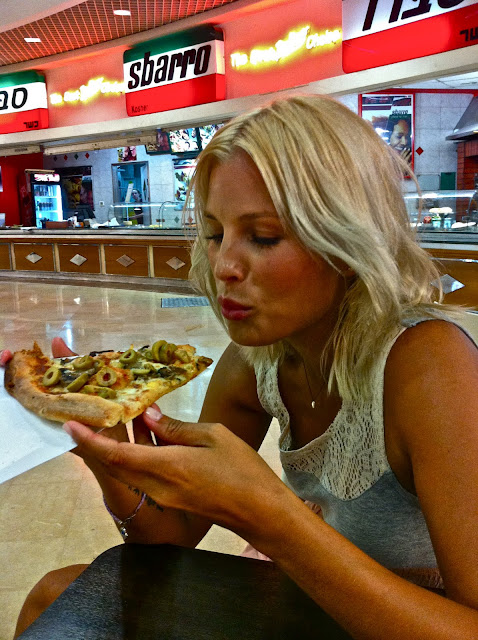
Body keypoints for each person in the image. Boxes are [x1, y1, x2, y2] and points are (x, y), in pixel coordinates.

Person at [5, 95, 478, 639]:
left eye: (263, 236)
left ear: (347, 242)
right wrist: (104, 451)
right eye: (214, 233)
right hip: (313, 606)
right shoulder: (257, 362)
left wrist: (272, 518)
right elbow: (172, 536)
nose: (224, 265)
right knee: (52, 595)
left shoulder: (428, 363)